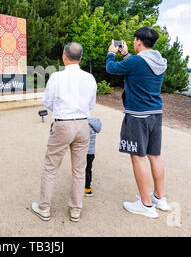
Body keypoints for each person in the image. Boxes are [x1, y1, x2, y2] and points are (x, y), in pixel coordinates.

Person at [106, 27, 170, 219]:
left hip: (137, 115)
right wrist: (126, 55)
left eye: (134, 41)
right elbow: (137, 69)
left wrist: (111, 53)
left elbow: (112, 68)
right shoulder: (159, 61)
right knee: (155, 156)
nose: (132, 44)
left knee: (138, 157)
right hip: (155, 114)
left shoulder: (136, 61)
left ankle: (146, 204)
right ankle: (159, 198)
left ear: (139, 42)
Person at [31, 42, 97, 223]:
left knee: (51, 167)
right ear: (81, 57)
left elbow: (47, 101)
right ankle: (76, 209)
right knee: (79, 169)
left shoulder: (56, 77)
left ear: (64, 56)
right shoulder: (90, 78)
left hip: (63, 124)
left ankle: (44, 207)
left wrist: (61, 112)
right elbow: (91, 104)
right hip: (84, 124)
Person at [84, 117, 102, 197]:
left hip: (83, 152)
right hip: (91, 152)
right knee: (88, 169)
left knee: (81, 169)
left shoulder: (84, 125)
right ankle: (88, 187)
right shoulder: (94, 124)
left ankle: (85, 188)